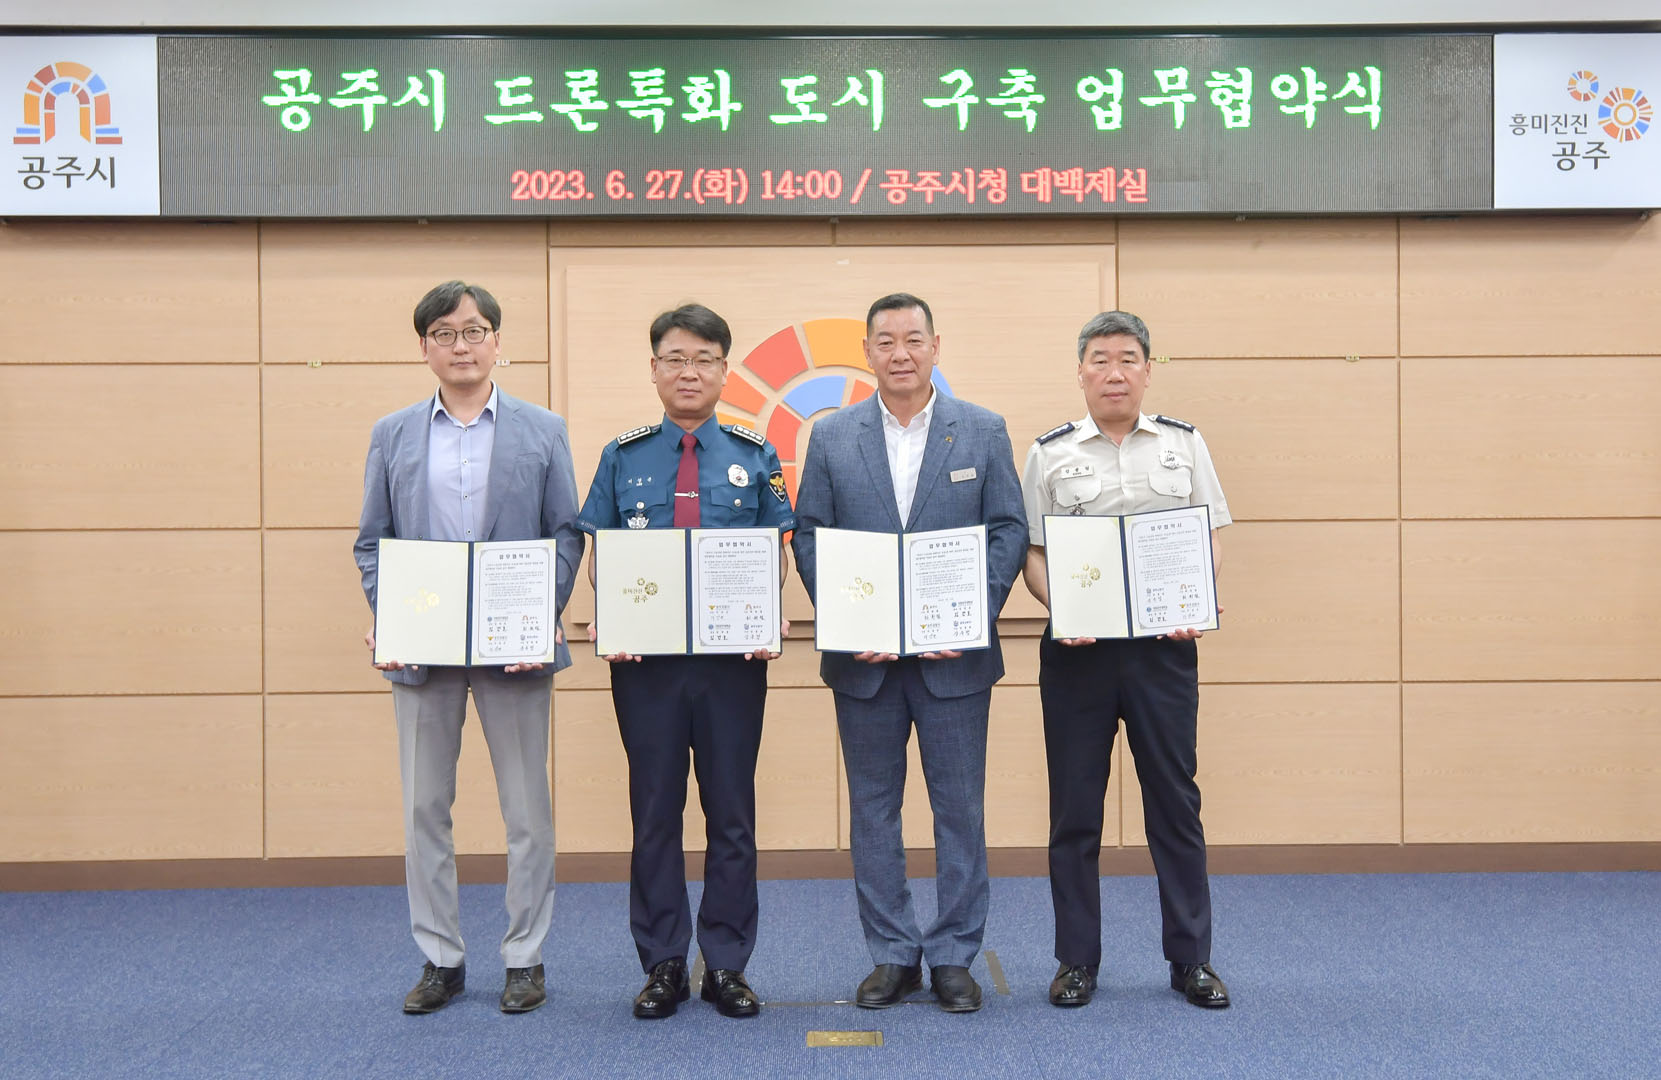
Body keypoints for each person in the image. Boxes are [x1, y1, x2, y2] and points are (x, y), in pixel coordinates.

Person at [792, 293, 1027, 1013]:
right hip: (863, 665)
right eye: (886, 341)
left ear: (935, 347)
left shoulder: (982, 430)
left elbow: (1008, 530)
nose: (901, 353)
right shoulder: (832, 437)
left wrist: (970, 612)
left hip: (955, 660)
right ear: (867, 352)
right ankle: (892, 953)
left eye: (913, 339)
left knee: (959, 811)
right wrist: (844, 619)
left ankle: (954, 955)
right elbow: (810, 534)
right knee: (873, 810)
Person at [354, 280, 581, 1015]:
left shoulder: (543, 429)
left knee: (527, 812)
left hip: (514, 649)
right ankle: (440, 959)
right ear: (425, 347)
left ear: (497, 343)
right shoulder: (392, 434)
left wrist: (541, 614)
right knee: (425, 808)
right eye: (445, 334)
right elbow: (372, 542)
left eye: (475, 331)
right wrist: (389, 617)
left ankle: (524, 957)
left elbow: (565, 534)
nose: (462, 345)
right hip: (423, 651)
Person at [577, 303, 795, 1020]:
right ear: (654, 370)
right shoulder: (623, 455)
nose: (689, 372)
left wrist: (768, 609)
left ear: (725, 371)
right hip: (647, 666)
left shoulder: (755, 453)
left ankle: (726, 964)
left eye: (704, 359)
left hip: (733, 664)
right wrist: (613, 614)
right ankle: (664, 962)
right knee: (654, 813)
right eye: (675, 358)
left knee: (732, 813)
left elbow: (774, 550)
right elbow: (602, 554)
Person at [1019, 310, 1232, 1010]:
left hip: (1162, 653)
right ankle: (1076, 961)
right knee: (1074, 810)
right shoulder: (1049, 453)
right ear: (1080, 372)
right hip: (1077, 655)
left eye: (1128, 359)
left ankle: (1191, 958)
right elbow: (1033, 553)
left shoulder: (1183, 444)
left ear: (1146, 370)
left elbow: (1209, 536)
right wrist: (1062, 608)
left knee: (1174, 804)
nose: (1114, 372)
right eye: (1100, 360)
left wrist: (1197, 599)